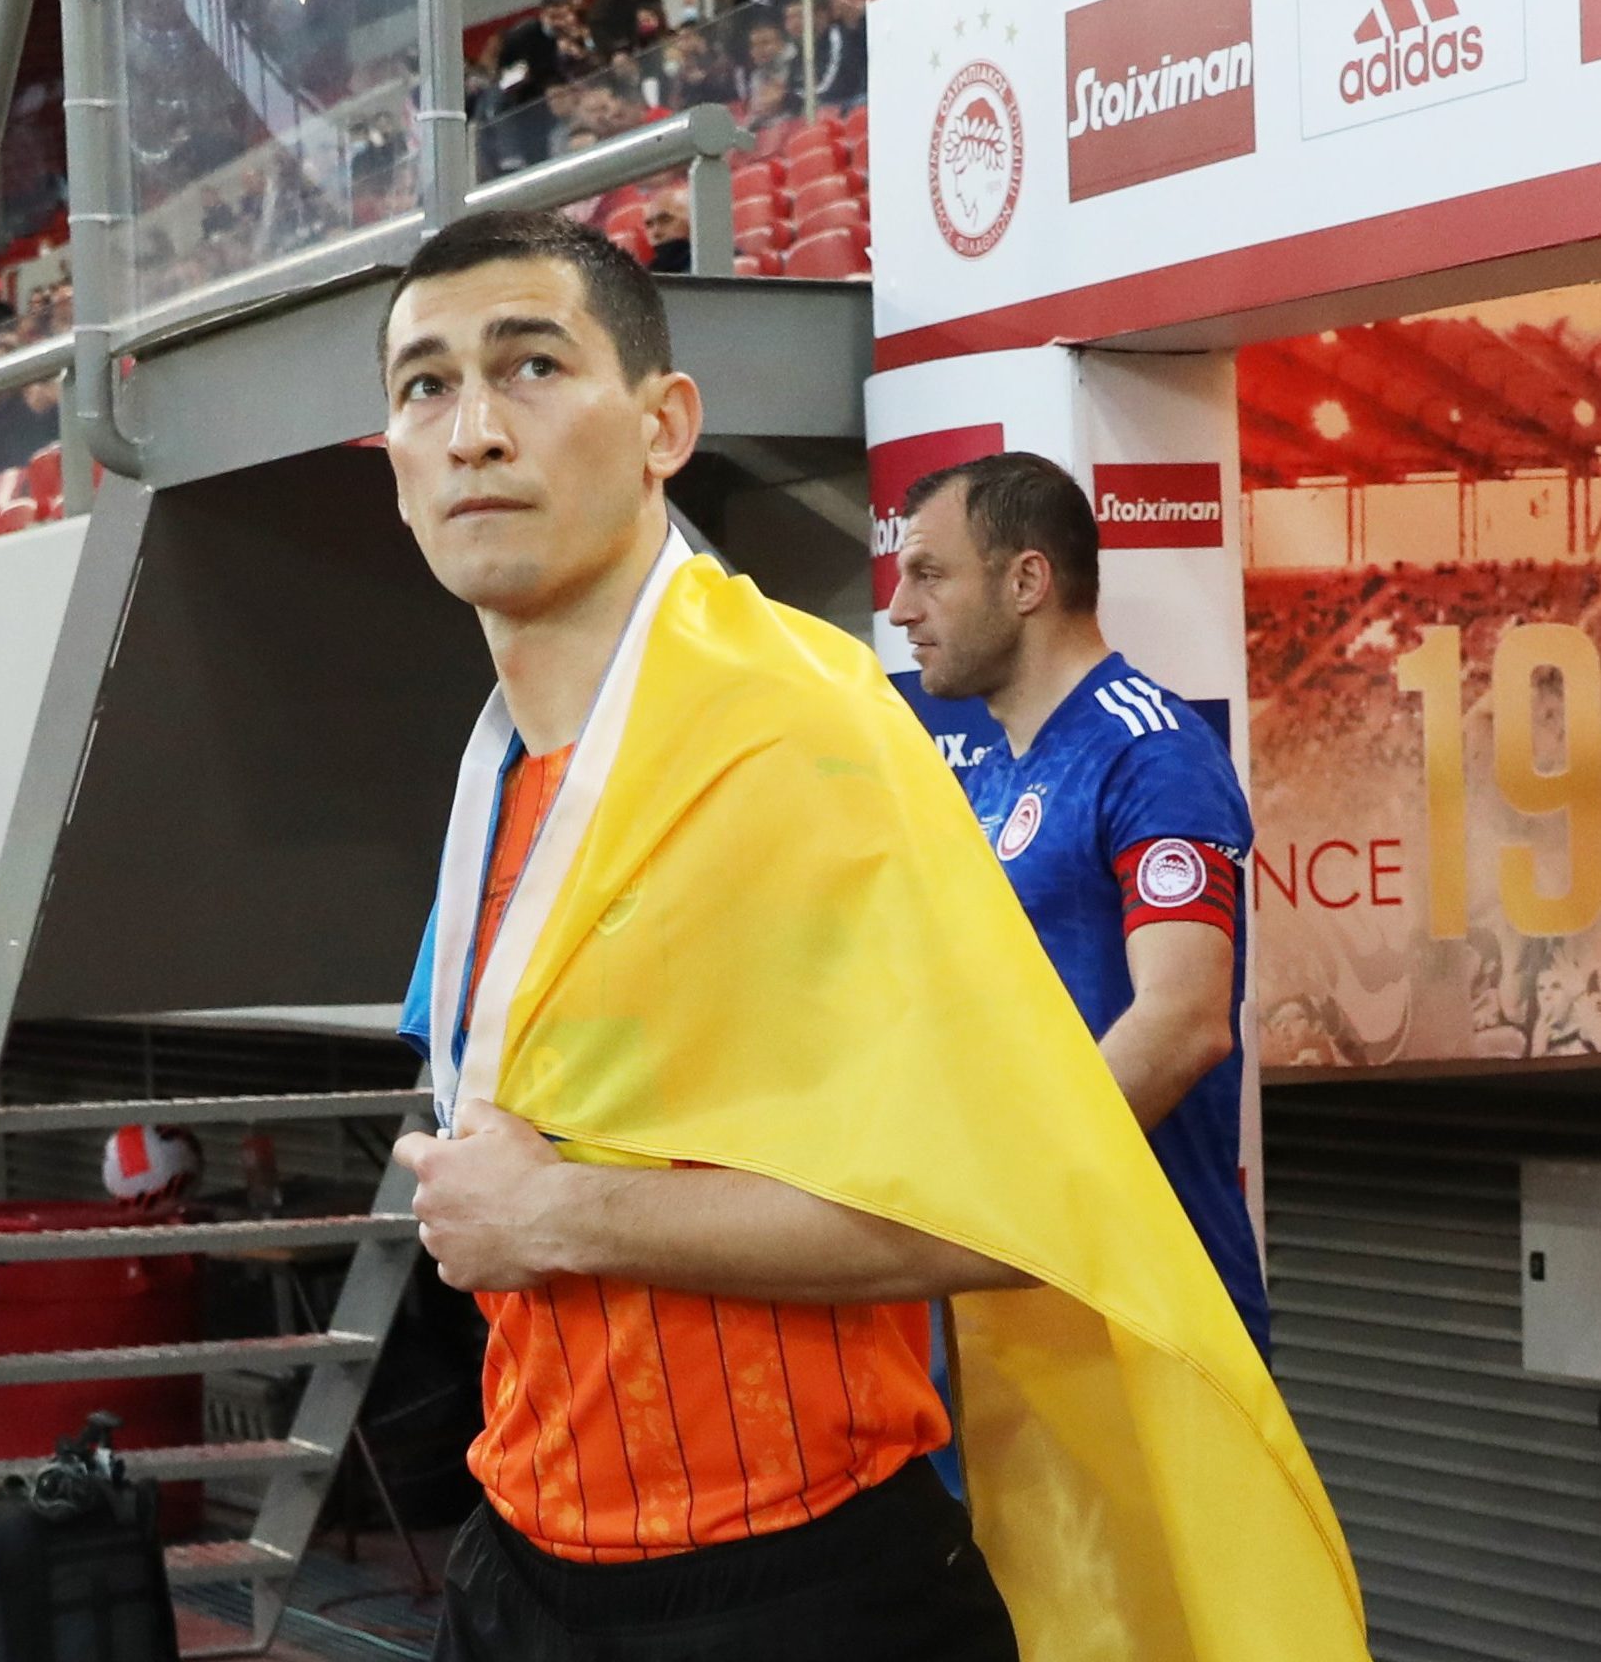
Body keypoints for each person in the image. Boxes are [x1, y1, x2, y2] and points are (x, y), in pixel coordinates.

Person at [374, 211, 1362, 1660]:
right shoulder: (496, 788)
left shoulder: (809, 735)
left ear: (663, 427)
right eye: (422, 386)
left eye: (530, 365)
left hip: (792, 1583)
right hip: (523, 1557)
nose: (470, 431)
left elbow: (1008, 1197)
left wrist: (558, 1217)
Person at [884, 452, 1268, 1354]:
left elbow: (1182, 1022)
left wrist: (1012, 1195)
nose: (901, 609)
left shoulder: (1153, 753)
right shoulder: (1002, 772)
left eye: (929, 574)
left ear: (1026, 581)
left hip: (1151, 1306)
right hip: (1030, 1301)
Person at [490, 0, 578, 175]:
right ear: (544, 15)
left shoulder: (570, 34)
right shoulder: (523, 35)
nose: (560, 22)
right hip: (526, 102)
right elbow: (506, 73)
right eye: (555, 17)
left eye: (563, 16)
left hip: (555, 99)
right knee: (537, 152)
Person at [641, 185, 693, 273]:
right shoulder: (648, 275)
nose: (656, 232)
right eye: (649, 224)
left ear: (692, 221)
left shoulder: (708, 262)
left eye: (665, 220)